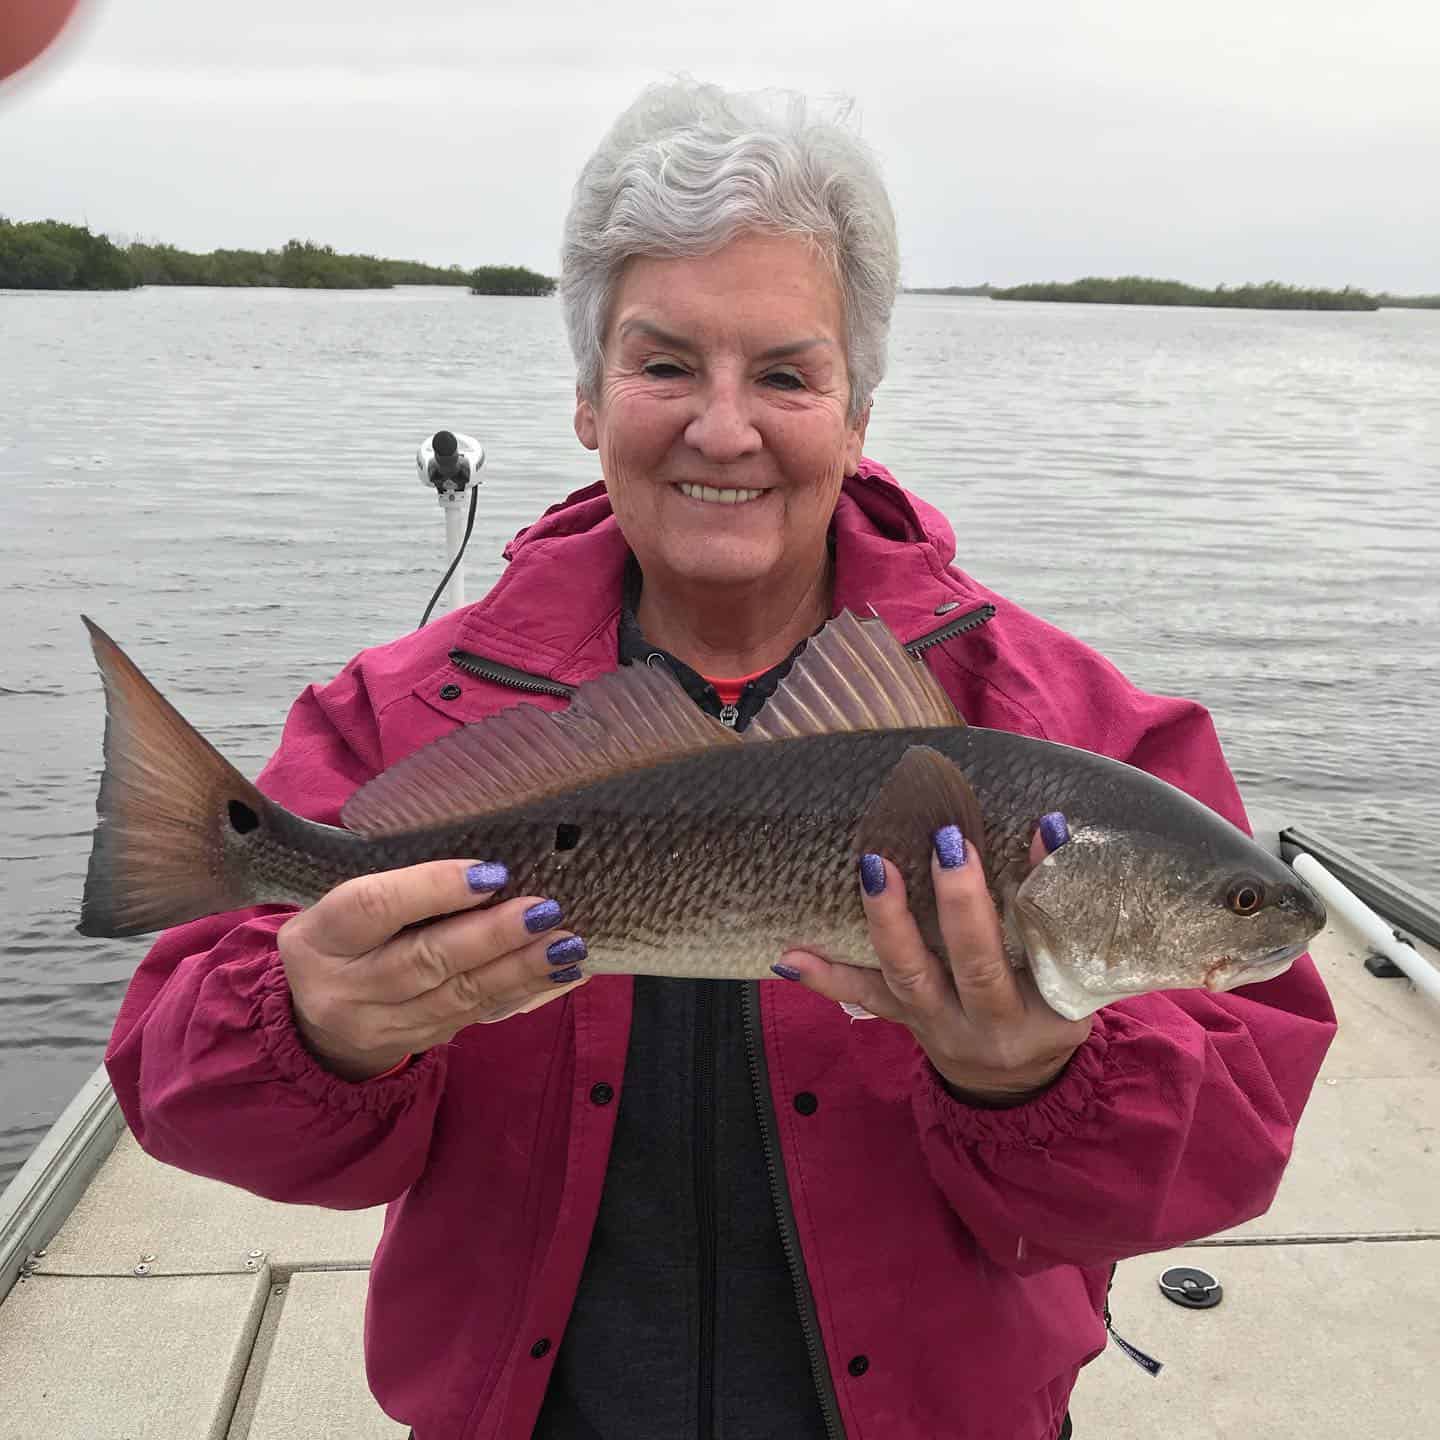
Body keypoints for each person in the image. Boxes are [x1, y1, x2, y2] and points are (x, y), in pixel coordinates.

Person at [104, 81, 1337, 1440]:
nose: (726, 427)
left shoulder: (1068, 721)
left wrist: (1032, 1079)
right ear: (587, 397)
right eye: (666, 363)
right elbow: (173, 1089)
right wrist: (317, 1027)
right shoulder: (401, 712)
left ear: (859, 412)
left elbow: (1243, 1122)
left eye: (788, 375)